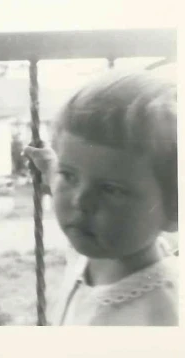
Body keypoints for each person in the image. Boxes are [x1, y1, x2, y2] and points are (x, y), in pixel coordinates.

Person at [25, 70, 178, 325]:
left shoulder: (163, 316)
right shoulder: (93, 246)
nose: (80, 202)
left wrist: (68, 174)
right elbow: (71, 176)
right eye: (70, 176)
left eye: (111, 189)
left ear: (175, 210)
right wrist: (53, 168)